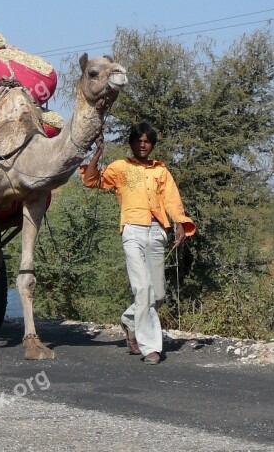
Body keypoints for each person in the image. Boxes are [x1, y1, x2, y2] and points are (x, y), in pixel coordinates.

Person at [81, 122, 196, 365]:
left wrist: (179, 224)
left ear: (152, 145)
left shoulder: (161, 172)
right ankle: (151, 348)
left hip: (156, 232)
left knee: (159, 294)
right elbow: (92, 181)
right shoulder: (120, 167)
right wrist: (98, 153)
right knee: (142, 289)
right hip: (132, 230)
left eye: (147, 141)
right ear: (132, 143)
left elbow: (172, 201)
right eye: (138, 141)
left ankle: (129, 319)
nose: (142, 145)